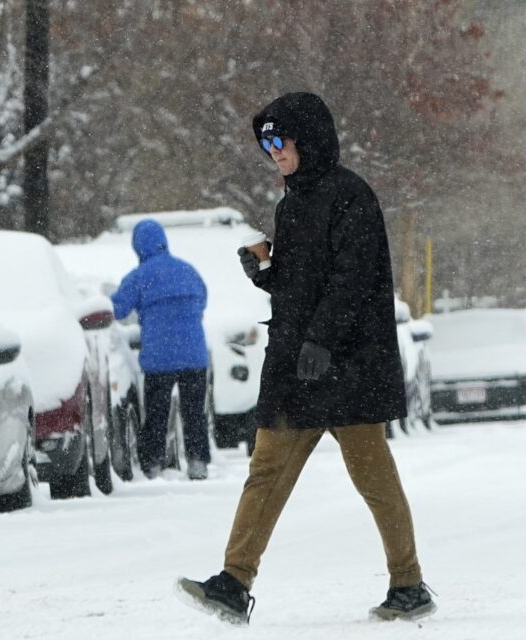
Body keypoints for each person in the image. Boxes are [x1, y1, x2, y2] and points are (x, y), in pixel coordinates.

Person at [177, 92, 433, 623]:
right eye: (265, 142)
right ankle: (233, 581)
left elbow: (353, 280)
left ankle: (408, 584)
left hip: (349, 365)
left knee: (373, 477)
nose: (273, 151)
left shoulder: (350, 197)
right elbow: (301, 284)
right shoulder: (290, 204)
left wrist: (322, 339)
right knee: (265, 469)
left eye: (280, 140)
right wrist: (267, 274)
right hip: (299, 366)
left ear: (308, 139)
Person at [111, 220, 212, 481]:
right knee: (194, 412)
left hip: (159, 356)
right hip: (193, 354)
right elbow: (202, 298)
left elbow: (117, 309)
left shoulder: (139, 277)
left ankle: (152, 464)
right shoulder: (187, 270)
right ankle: (198, 461)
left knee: (156, 413)